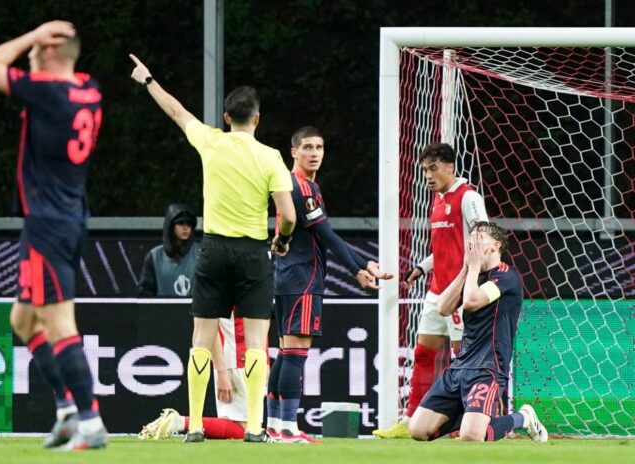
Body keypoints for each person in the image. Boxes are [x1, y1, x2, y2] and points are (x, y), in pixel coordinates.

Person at [129, 54, 297, 443]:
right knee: (256, 342)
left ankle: (195, 426)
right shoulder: (270, 157)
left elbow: (176, 112)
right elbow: (287, 215)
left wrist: (148, 79)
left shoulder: (211, 141)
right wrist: (282, 240)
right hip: (253, 253)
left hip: (215, 250)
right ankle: (254, 427)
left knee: (201, 339)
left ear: (226, 118)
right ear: (257, 118)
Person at [0, 21, 107, 450]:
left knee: (58, 323)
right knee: (22, 319)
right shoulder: (90, 89)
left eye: (36, 52)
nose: (29, 58)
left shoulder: (48, 92)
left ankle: (90, 423)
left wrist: (34, 34)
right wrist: (45, 46)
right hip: (67, 217)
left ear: (49, 53)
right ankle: (66, 411)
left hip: (48, 223)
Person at [267, 126, 393, 443]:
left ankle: (274, 424)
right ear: (293, 152)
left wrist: (361, 266)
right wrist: (359, 266)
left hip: (287, 278)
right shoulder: (302, 188)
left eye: (319, 147)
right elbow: (326, 235)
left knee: (285, 352)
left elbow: (320, 236)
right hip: (303, 279)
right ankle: (288, 428)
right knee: (295, 353)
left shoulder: (297, 184)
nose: (314, 153)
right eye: (307, 147)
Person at [373, 142, 488, 439]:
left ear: (450, 167)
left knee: (463, 358)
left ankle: (469, 420)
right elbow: (445, 247)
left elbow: (484, 237)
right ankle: (410, 419)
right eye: (424, 169)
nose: (427, 175)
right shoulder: (438, 200)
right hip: (437, 290)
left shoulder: (468, 197)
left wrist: (472, 280)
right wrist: (422, 267)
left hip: (460, 292)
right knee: (423, 353)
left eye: (433, 168)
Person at [407, 221, 548, 442]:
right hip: (460, 366)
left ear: (496, 245)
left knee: (472, 436)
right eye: (470, 238)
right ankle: (470, 415)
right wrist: (466, 268)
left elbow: (472, 302)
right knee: (417, 431)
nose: (472, 242)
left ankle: (523, 417)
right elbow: (443, 307)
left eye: (479, 237)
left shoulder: (506, 276)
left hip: (488, 367)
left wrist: (473, 268)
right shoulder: (472, 276)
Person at [139, 312, 252, 440]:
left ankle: (184, 423)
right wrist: (222, 370)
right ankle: (179, 422)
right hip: (235, 359)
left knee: (249, 427)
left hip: (243, 357)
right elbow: (209, 319)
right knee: (245, 429)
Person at [138, 203, 201, 297]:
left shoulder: (202, 253)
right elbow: (145, 294)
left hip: (196, 306)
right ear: (171, 226)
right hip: (162, 307)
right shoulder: (154, 256)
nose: (185, 227)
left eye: (189, 223)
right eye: (180, 223)